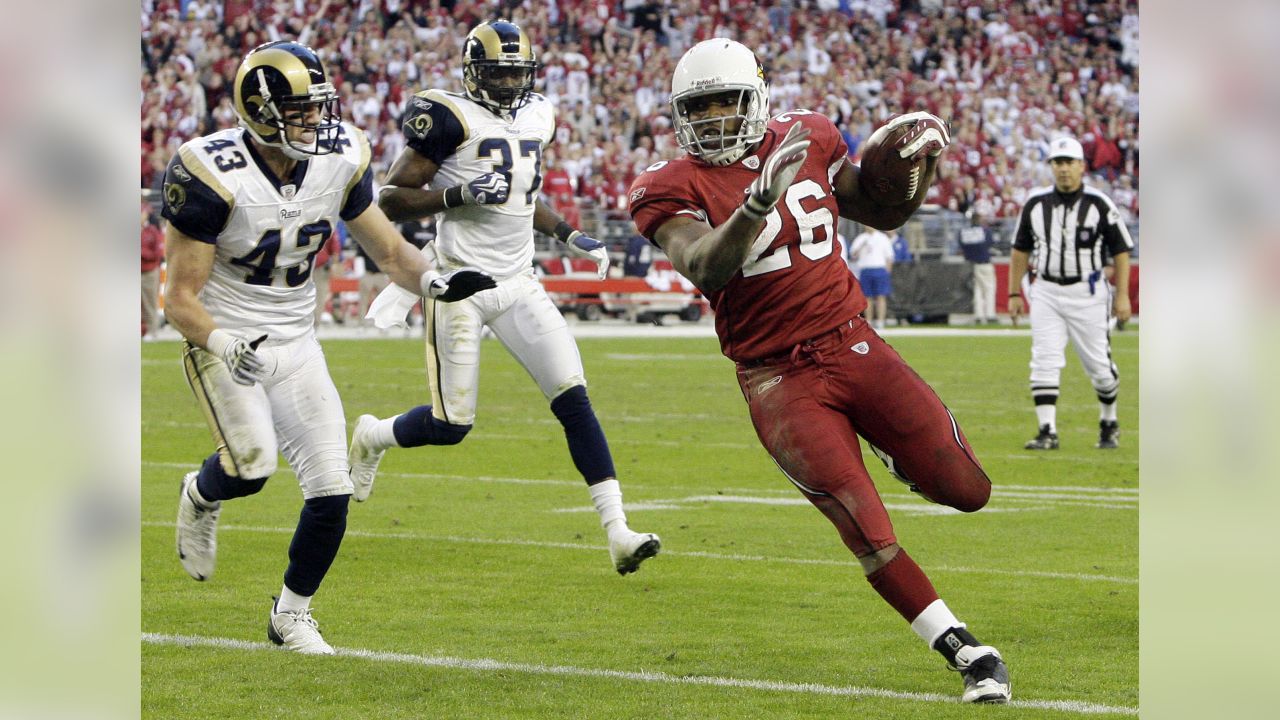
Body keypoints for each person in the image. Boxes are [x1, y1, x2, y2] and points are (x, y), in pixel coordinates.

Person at [627, 38, 1009, 704]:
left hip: (853, 343)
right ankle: (965, 649)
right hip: (778, 379)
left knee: (969, 489)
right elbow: (704, 267)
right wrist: (753, 205)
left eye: (727, 102)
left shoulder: (813, 137)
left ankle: (898, 458)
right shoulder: (667, 186)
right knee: (862, 525)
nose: (717, 118)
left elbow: (882, 212)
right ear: (680, 114)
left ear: (757, 96)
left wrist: (915, 174)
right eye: (702, 107)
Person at [160, 40, 495, 654]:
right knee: (251, 469)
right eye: (301, 110)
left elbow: (390, 251)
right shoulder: (208, 171)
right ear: (259, 111)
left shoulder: (339, 159)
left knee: (331, 487)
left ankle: (291, 615)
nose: (317, 120)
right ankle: (201, 493)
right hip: (224, 339)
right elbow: (177, 298)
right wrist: (226, 341)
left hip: (297, 340)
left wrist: (435, 282)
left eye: (319, 106)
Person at [350, 19, 661, 576]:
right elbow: (388, 200)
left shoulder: (538, 113)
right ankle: (373, 435)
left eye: (518, 72)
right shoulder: (445, 115)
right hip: (459, 286)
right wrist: (456, 194)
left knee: (573, 397)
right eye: (498, 72)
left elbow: (522, 195)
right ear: (473, 71)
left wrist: (568, 233)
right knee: (451, 426)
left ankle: (617, 530)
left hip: (518, 282)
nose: (509, 82)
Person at [1007, 136, 1133, 450]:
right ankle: (1046, 430)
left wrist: (1123, 296)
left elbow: (1121, 250)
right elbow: (1020, 251)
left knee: (1100, 369)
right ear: (1051, 167)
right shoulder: (1036, 204)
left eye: (1069, 163)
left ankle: (1109, 420)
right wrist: (1013, 294)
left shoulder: (1099, 203)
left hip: (1087, 292)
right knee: (1044, 359)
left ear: (1081, 166)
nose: (1063, 170)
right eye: (1058, 163)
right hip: (1046, 290)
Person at [848, 225, 895, 329]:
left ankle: (880, 321)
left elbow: (889, 257)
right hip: (866, 269)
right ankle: (869, 320)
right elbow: (853, 255)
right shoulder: (861, 238)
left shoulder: (882, 238)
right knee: (867, 297)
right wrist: (861, 246)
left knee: (880, 296)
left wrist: (887, 272)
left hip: (879, 268)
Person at [958, 211, 996, 324]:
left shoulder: (963, 232)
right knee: (989, 289)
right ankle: (990, 315)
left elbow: (961, 245)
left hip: (970, 264)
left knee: (977, 291)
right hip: (984, 263)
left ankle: (978, 315)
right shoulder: (984, 231)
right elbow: (990, 243)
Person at [141, 201, 165, 338]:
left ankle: (152, 331)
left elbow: (158, 253)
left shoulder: (152, 231)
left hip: (149, 272)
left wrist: (142, 252)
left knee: (150, 303)